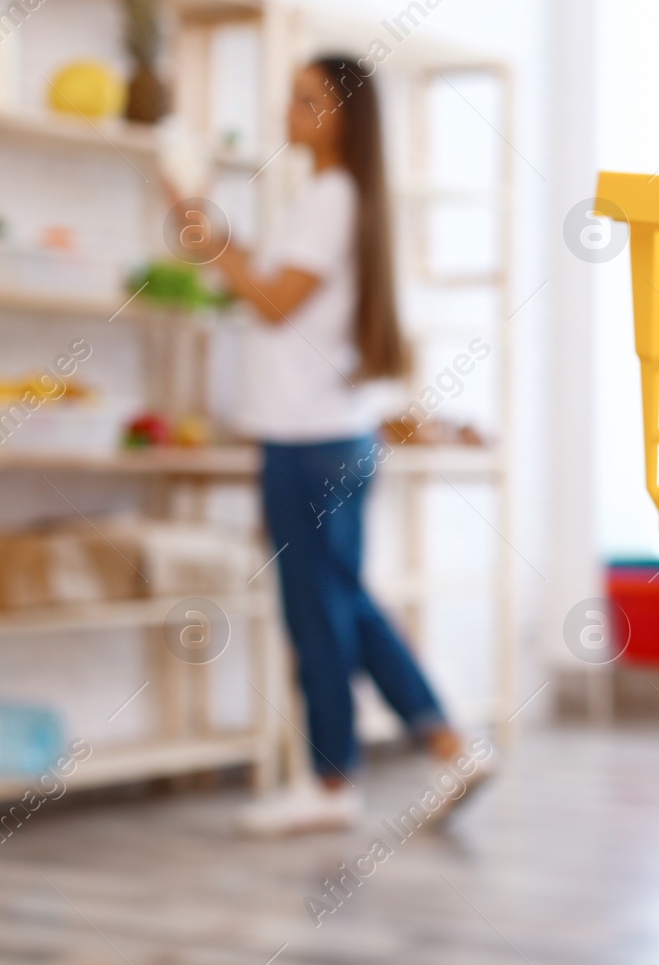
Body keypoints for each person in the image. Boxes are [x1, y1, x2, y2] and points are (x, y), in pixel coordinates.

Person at [184, 56, 489, 836]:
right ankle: (448, 742)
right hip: (334, 432)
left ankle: (330, 782)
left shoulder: (329, 198)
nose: (289, 110)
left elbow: (277, 302)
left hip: (306, 438)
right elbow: (278, 291)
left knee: (315, 610)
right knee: (343, 599)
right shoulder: (335, 199)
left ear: (344, 117)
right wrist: (219, 240)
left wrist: (213, 242)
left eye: (307, 99)